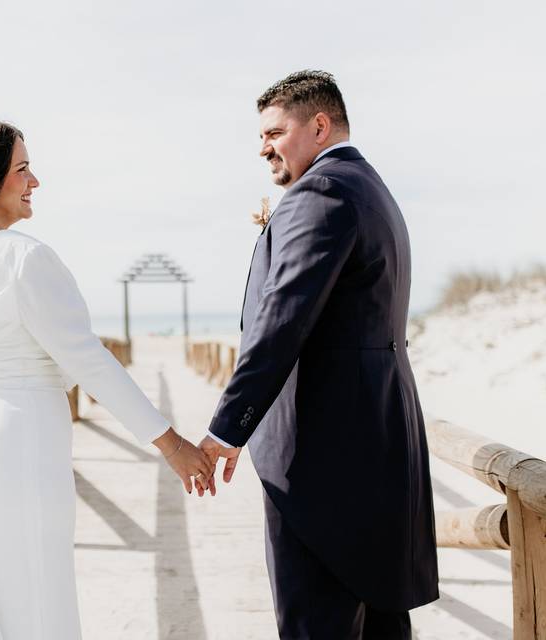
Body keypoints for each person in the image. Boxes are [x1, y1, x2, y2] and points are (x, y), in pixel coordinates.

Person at [0, 118, 214, 639]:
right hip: (16, 445)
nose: (35, 182)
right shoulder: (23, 257)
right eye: (22, 170)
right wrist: (171, 443)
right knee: (29, 592)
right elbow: (88, 360)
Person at [199, 71, 439, 639]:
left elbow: (281, 321)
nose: (263, 147)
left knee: (317, 626)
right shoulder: (369, 185)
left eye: (274, 132)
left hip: (322, 463)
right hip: (376, 447)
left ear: (320, 125)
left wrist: (228, 430)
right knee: (379, 624)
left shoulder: (323, 192)